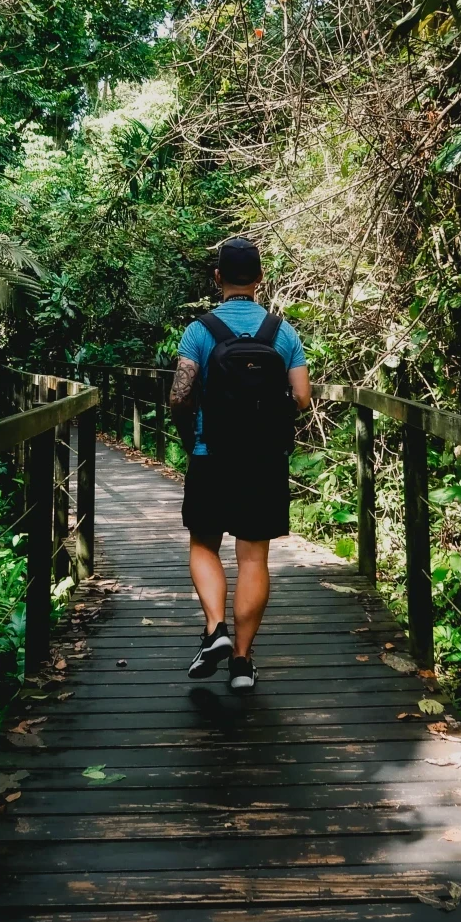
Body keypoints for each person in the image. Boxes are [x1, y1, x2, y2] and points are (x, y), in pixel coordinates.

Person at [170, 236, 311, 691]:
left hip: (212, 456)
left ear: (218, 278)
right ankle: (244, 664)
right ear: (260, 278)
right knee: (254, 558)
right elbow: (303, 398)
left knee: (203, 546)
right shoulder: (283, 333)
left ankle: (215, 630)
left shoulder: (199, 331)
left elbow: (179, 395)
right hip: (263, 462)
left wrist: (192, 438)